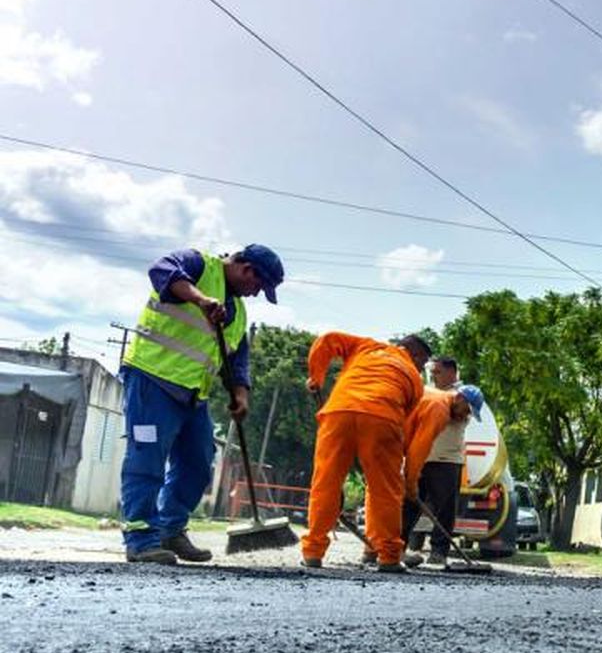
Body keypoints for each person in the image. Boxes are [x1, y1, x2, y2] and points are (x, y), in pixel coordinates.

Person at [119, 244, 285, 564]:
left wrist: (241, 395)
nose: (254, 294)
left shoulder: (237, 312)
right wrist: (200, 299)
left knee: (198, 462)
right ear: (247, 269)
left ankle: (170, 529)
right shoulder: (197, 264)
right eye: (257, 286)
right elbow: (160, 271)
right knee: (147, 459)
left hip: (194, 395)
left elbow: (237, 360)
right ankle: (140, 539)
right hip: (152, 379)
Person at [301, 333, 430, 572]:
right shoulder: (414, 379)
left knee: (325, 483)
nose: (421, 369)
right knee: (385, 490)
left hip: (339, 411)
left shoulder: (366, 346)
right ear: (416, 355)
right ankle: (389, 556)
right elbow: (405, 420)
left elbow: (327, 340)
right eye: (423, 363)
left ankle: (313, 552)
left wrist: (316, 377)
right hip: (383, 418)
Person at [401, 384, 485, 565]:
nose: (467, 415)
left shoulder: (458, 413)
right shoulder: (438, 405)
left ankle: (439, 552)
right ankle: (397, 547)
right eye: (467, 409)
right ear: (461, 399)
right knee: (409, 505)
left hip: (448, 463)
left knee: (446, 509)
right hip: (423, 459)